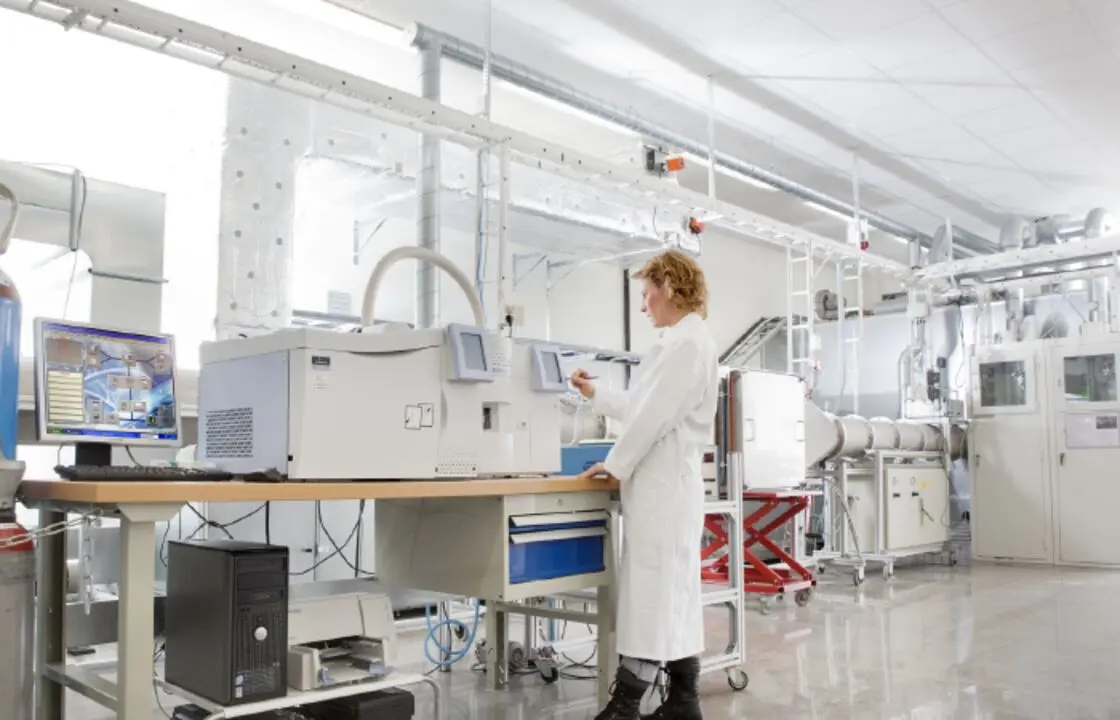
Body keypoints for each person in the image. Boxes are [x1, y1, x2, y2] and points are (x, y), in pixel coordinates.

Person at [571, 250, 718, 720]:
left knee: (653, 596)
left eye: (647, 294)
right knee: (671, 594)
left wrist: (615, 464)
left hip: (665, 490)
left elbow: (651, 417)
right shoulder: (682, 343)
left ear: (669, 288)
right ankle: (682, 700)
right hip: (665, 489)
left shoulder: (689, 346)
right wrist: (594, 394)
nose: (644, 305)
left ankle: (626, 707)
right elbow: (642, 404)